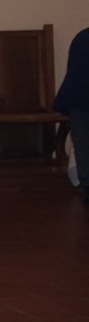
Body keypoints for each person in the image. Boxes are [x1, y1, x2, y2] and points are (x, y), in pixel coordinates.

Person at [55, 27, 89, 207]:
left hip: (79, 100)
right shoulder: (83, 39)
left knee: (83, 144)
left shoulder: (82, 37)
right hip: (81, 99)